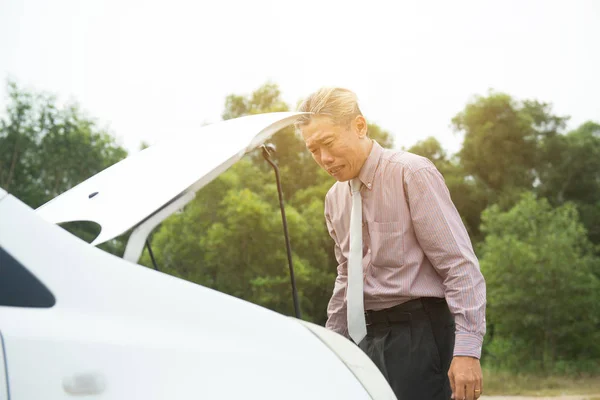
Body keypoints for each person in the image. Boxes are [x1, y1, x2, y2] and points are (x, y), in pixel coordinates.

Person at [294, 87, 487, 400]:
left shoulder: (411, 173)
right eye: (313, 150)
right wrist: (333, 345)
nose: (323, 158)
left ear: (359, 126)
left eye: (327, 143)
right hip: (365, 342)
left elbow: (459, 264)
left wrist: (467, 350)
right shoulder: (334, 199)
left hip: (420, 335)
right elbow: (346, 277)